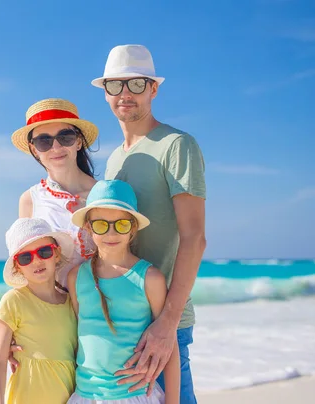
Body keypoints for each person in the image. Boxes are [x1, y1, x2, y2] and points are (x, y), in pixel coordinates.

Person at [92, 44, 207, 403]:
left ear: (153, 88)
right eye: (116, 85)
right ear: (106, 92)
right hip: (122, 321)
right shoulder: (113, 160)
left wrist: (168, 323)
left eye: (136, 84)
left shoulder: (176, 145)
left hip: (163, 321)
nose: (125, 94)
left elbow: (194, 238)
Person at [66, 179, 180, 404]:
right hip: (86, 396)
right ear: (88, 227)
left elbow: (170, 345)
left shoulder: (149, 278)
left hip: (135, 396)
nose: (111, 233)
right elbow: (76, 336)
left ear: (133, 228)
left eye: (121, 225)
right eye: (101, 225)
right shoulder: (76, 277)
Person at [12, 98, 99, 291]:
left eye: (65, 137)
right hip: (56, 313)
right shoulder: (29, 200)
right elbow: (27, 266)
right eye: (44, 141)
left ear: (78, 141)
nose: (56, 147)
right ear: (34, 149)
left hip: (104, 311)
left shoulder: (104, 194)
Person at [0, 217, 78, 404]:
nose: (36, 261)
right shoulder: (14, 301)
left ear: (56, 254)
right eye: (25, 257)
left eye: (44, 251)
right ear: (18, 267)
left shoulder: (72, 303)